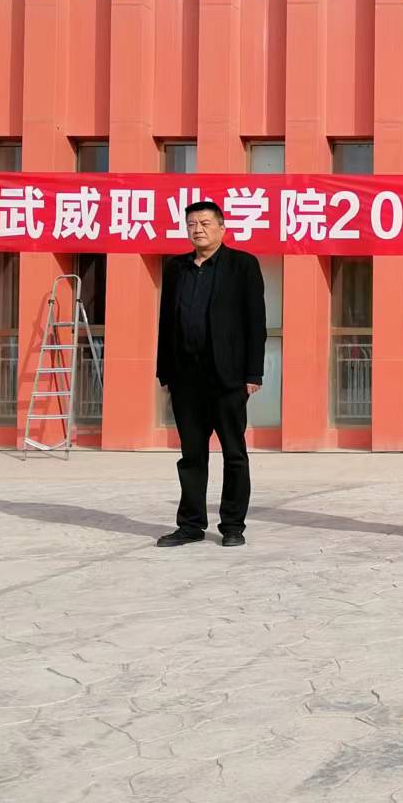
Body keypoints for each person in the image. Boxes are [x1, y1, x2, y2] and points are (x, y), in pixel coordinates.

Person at [155, 199, 266, 548]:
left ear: (222, 227)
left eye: (205, 224)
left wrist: (253, 373)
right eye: (192, 225)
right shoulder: (177, 268)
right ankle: (190, 525)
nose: (198, 230)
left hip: (227, 377)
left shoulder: (242, 265)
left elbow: (255, 321)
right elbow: (166, 321)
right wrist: (164, 372)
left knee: (234, 453)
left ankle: (232, 525)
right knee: (191, 455)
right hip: (186, 378)